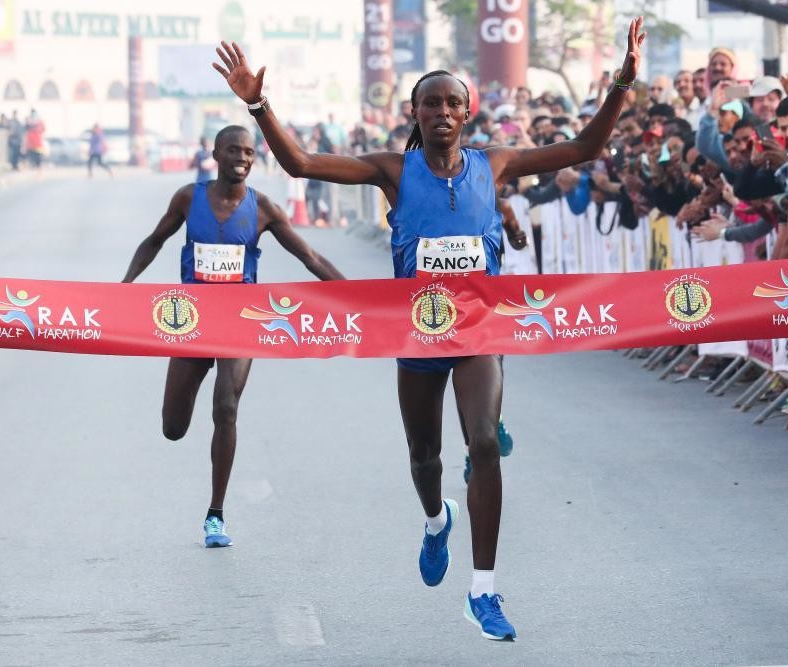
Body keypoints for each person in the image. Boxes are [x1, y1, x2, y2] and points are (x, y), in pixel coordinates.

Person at [212, 16, 645, 640]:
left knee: (485, 444)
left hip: (478, 333)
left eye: (451, 103)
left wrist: (622, 84)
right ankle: (437, 519)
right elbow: (301, 164)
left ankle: (483, 591)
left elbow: (583, 150)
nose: (442, 112)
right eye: (431, 103)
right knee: (424, 457)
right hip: (415, 335)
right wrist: (259, 105)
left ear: (467, 113)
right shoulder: (394, 170)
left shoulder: (494, 164)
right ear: (415, 114)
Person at [122, 125, 344, 548]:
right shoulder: (188, 198)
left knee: (226, 408)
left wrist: (357, 298)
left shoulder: (264, 209)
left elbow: (310, 256)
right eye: (233, 151)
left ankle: (215, 515)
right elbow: (154, 241)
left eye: (248, 152)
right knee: (173, 427)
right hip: (190, 321)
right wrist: (124, 287)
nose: (242, 158)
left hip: (241, 323)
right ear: (215, 155)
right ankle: (203, 485)